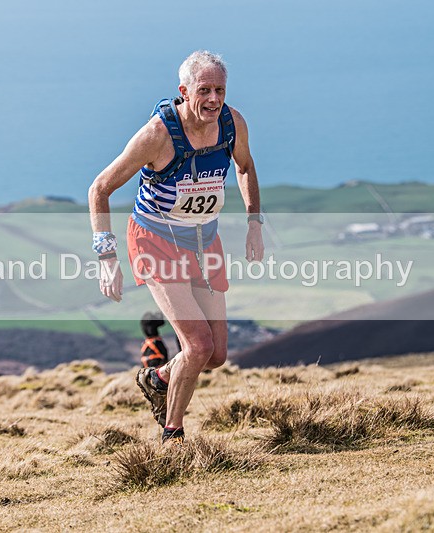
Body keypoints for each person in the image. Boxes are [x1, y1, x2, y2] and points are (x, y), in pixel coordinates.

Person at [88, 50, 264, 446]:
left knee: (216, 355)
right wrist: (106, 258)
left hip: (203, 240)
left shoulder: (232, 124)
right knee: (197, 345)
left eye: (220, 90)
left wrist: (254, 222)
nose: (214, 99)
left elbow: (245, 166)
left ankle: (158, 377)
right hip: (156, 241)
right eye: (204, 90)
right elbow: (99, 189)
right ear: (184, 92)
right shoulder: (157, 135)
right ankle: (173, 435)